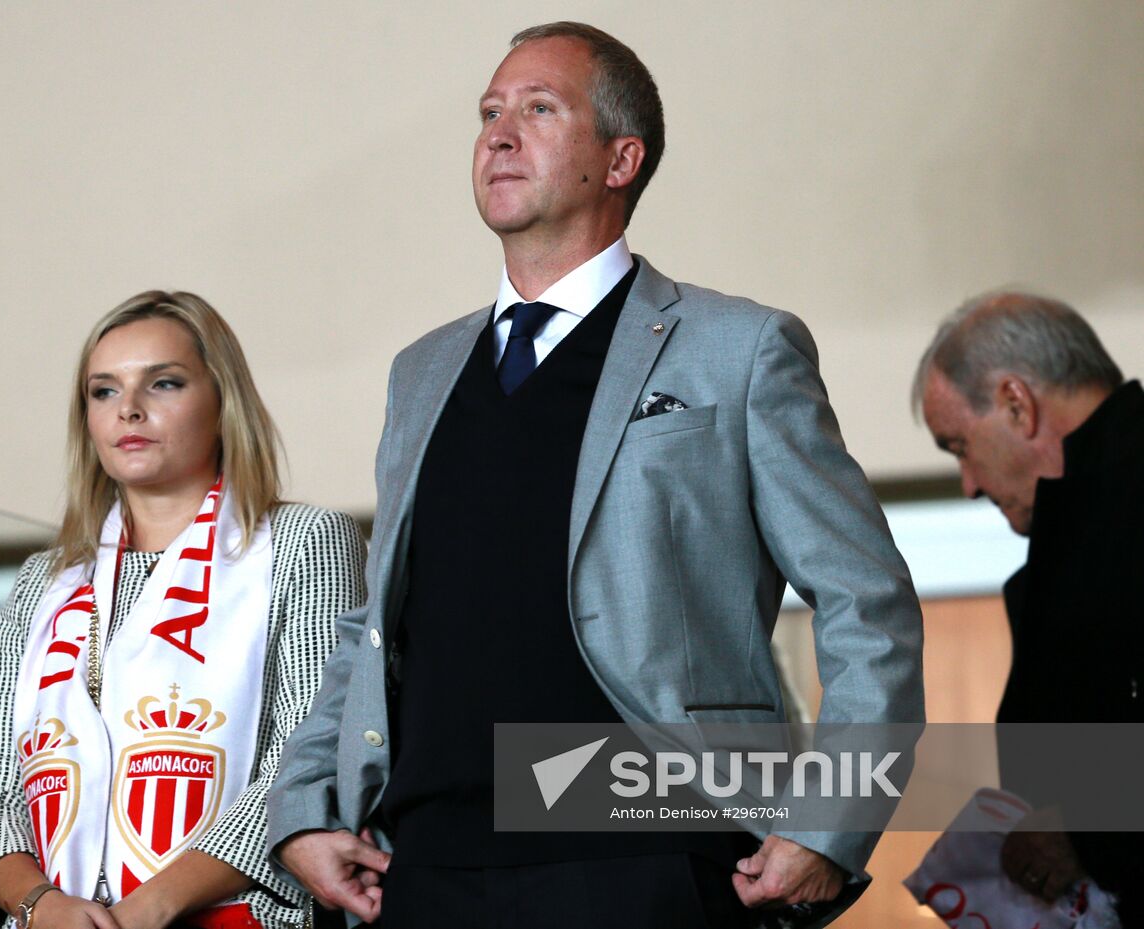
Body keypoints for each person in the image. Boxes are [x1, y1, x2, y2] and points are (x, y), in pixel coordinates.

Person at [267, 21, 923, 929]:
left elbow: (869, 602)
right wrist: (305, 806)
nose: (498, 133)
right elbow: (377, 625)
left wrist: (832, 822)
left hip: (646, 854)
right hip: (420, 870)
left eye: (539, 109)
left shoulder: (740, 350)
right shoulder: (420, 371)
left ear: (621, 161)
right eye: (489, 112)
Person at [0, 291, 367, 929]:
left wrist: (150, 908)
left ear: (221, 401)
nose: (129, 409)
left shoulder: (303, 542)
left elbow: (310, 763)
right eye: (103, 392)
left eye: (164, 383)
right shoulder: (45, 581)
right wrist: (42, 906)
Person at [914, 290, 1142, 922]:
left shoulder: (1116, 520)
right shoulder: (1077, 537)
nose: (968, 486)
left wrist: (1088, 834)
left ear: (1017, 405)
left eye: (959, 446)